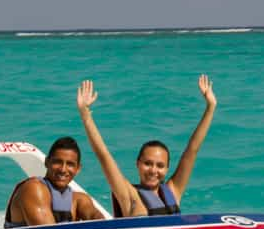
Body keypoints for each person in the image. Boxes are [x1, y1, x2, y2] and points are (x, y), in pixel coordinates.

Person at [76, 74, 217, 217]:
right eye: (148, 163)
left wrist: (210, 107)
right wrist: (85, 114)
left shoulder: (173, 191)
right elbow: (103, 156)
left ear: (167, 169)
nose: (153, 170)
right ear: (138, 163)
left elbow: (192, 150)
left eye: (160, 165)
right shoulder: (129, 195)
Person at [4, 136, 104, 227]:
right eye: (57, 162)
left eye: (70, 164)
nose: (63, 169)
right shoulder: (33, 189)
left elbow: (98, 220)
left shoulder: (79, 200)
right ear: (47, 162)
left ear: (78, 169)